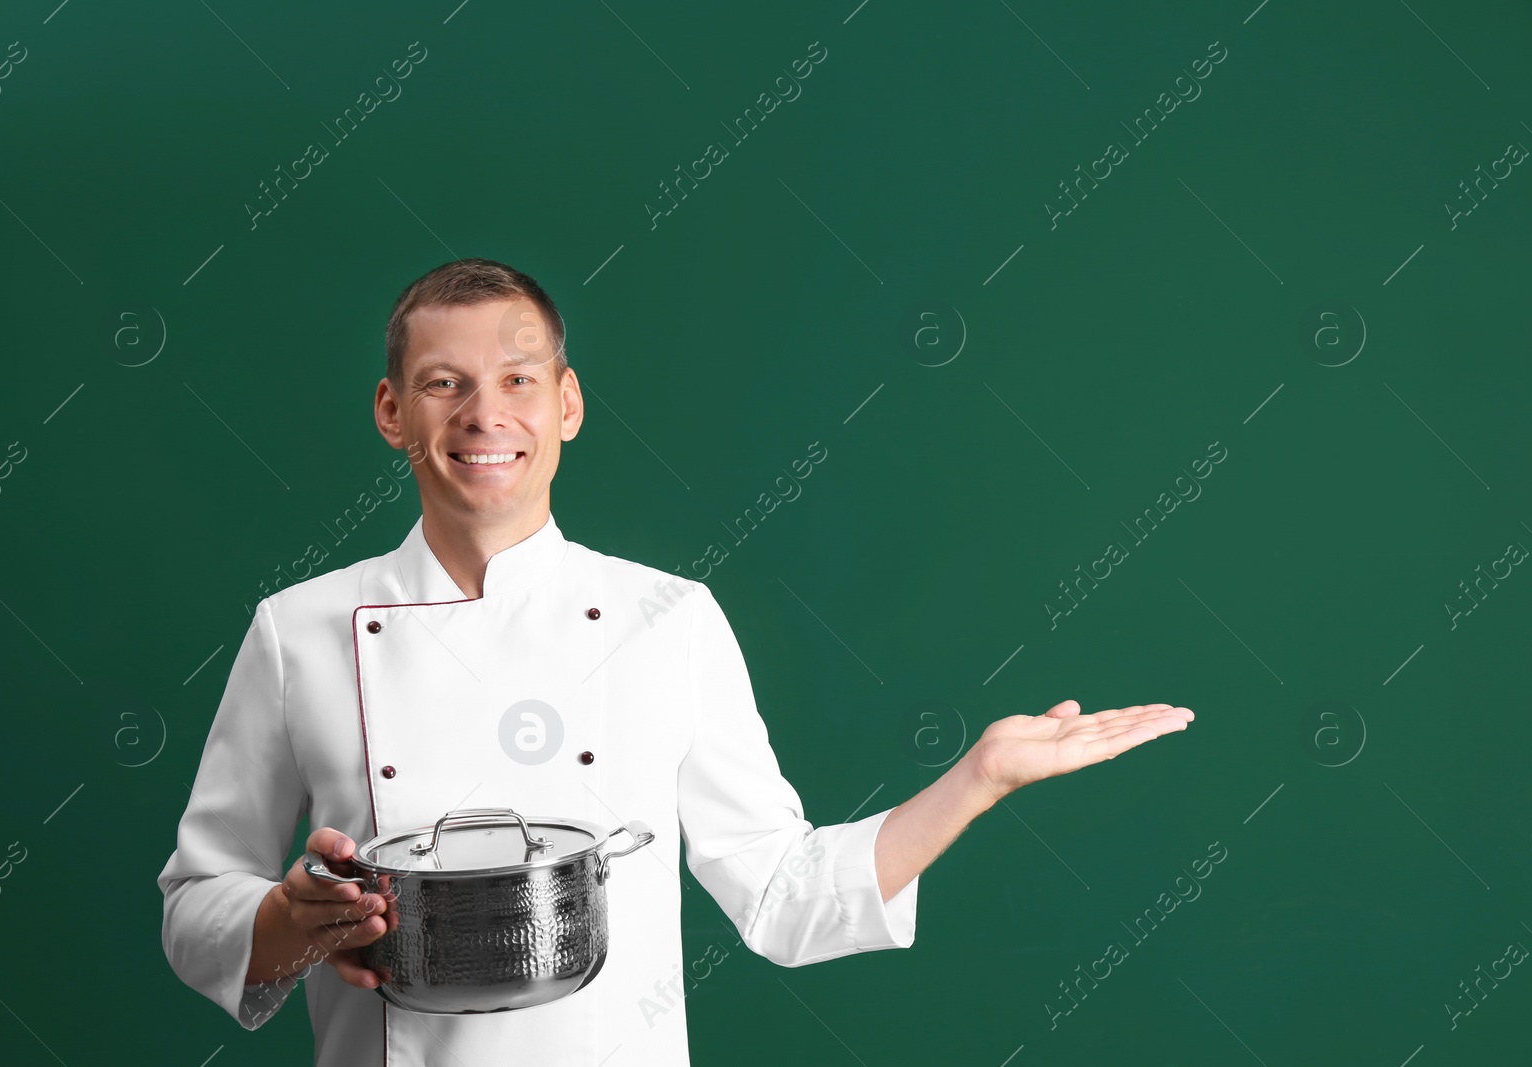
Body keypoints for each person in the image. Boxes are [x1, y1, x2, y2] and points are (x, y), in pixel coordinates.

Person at [157, 258, 1194, 1065]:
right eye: (444, 384)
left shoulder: (668, 617)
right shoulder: (298, 627)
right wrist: (290, 922)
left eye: (517, 379)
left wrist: (978, 778)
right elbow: (196, 900)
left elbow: (784, 893)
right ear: (394, 411)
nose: (485, 415)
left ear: (567, 403)